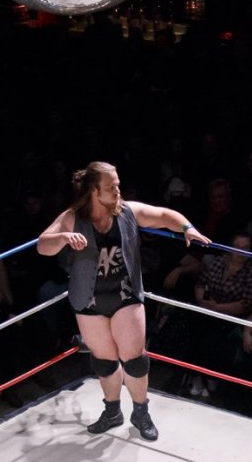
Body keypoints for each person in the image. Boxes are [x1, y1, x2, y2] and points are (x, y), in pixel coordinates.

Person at [37, 161, 209, 441]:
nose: (117, 190)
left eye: (117, 184)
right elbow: (43, 245)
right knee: (104, 362)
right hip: (89, 300)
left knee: (135, 360)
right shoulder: (72, 217)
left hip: (125, 294)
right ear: (94, 191)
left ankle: (141, 412)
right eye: (111, 187)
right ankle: (112, 410)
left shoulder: (127, 211)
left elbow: (164, 215)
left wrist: (187, 228)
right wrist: (63, 238)